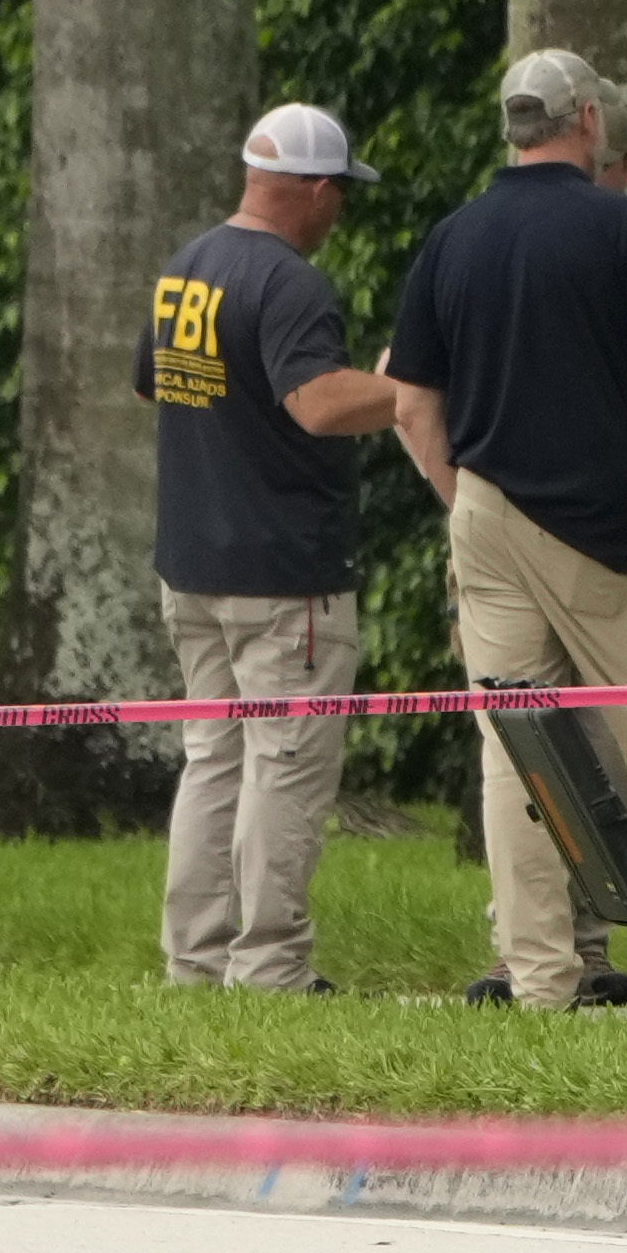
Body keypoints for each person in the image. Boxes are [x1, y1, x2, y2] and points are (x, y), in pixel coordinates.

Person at [381, 48, 627, 1006]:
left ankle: (542, 974)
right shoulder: (622, 228)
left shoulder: (453, 238)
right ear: (586, 119)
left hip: (489, 520)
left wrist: (462, 497)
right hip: (606, 530)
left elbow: (409, 402)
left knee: (518, 748)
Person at [144, 101, 394, 990]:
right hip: (283, 574)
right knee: (284, 764)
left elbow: (158, 383)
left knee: (214, 759)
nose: (340, 214)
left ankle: (197, 962)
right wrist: (408, 391)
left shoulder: (187, 268)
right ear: (316, 190)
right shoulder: (290, 284)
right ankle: (271, 969)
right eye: (341, 196)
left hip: (194, 567)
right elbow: (319, 403)